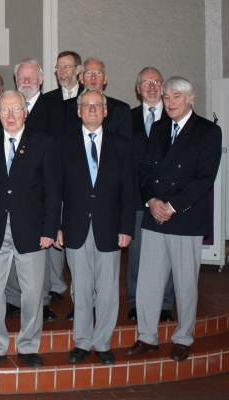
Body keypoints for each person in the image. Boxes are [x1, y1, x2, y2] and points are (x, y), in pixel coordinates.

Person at [126, 76, 222, 362]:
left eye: (176, 97)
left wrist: (172, 205)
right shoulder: (157, 128)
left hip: (185, 218)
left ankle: (183, 337)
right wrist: (152, 201)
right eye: (166, 97)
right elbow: (143, 170)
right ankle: (147, 336)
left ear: (190, 98)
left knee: (184, 283)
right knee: (148, 282)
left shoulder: (207, 131)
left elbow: (205, 178)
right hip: (155, 215)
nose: (169, 102)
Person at [0, 90, 61, 369]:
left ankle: (28, 345)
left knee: (33, 293)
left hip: (33, 230)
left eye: (16, 110)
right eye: (5, 110)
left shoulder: (44, 143)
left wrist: (51, 228)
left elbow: (52, 190)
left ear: (26, 112)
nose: (11, 116)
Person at [57, 88, 135, 365]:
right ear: (78, 111)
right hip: (75, 227)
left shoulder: (122, 145)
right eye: (86, 105)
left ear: (105, 111)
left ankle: (102, 343)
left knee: (108, 289)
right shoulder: (63, 144)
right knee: (80, 287)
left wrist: (127, 228)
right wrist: (57, 225)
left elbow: (129, 192)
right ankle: (82, 341)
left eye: (97, 105)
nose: (91, 109)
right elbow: (55, 190)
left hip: (110, 228)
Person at [5, 59, 66, 323]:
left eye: (31, 78)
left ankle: (41, 301)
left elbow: (60, 152)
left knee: (38, 255)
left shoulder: (56, 108)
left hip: (38, 194)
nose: (26, 81)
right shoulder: (7, 107)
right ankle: (12, 300)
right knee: (7, 253)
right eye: (22, 77)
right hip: (9, 197)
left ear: (41, 80)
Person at [127, 67, 175, 322]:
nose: (152, 86)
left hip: (165, 199)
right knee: (136, 255)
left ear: (163, 85)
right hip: (135, 197)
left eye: (157, 81)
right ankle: (135, 302)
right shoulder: (127, 117)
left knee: (165, 254)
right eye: (146, 82)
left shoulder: (175, 117)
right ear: (138, 88)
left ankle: (165, 303)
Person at [64, 57, 132, 140]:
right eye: (89, 73)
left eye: (98, 73)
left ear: (105, 79)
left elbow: (124, 147)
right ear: (81, 78)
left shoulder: (120, 110)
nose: (93, 77)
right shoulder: (64, 108)